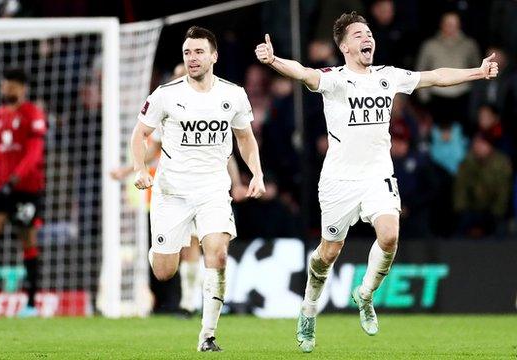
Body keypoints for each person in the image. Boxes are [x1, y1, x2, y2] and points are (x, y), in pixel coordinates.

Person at [255, 11, 498, 353]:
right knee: (328, 253)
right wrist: (275, 60)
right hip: (339, 180)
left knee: (389, 234)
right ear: (343, 46)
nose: (367, 38)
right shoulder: (335, 79)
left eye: (368, 33)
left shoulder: (388, 76)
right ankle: (308, 309)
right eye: (358, 35)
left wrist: (478, 70)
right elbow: (305, 73)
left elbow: (436, 76)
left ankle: (365, 293)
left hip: (377, 176)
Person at [131, 26, 265, 352]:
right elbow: (140, 135)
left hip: (212, 189)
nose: (192, 58)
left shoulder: (232, 95)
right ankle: (163, 251)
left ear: (214, 56)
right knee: (164, 270)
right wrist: (138, 169)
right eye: (188, 52)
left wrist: (256, 174)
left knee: (217, 252)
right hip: (172, 191)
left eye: (199, 52)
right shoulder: (166, 94)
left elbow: (245, 139)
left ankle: (208, 334)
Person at [0, 69, 47, 318]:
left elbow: (34, 153)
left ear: (23, 88)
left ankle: (32, 304)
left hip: (25, 189)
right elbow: (0, 154)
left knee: (28, 242)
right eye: (6, 84)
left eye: (13, 85)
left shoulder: (32, 113)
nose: (8, 89)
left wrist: (14, 179)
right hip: (0, 189)